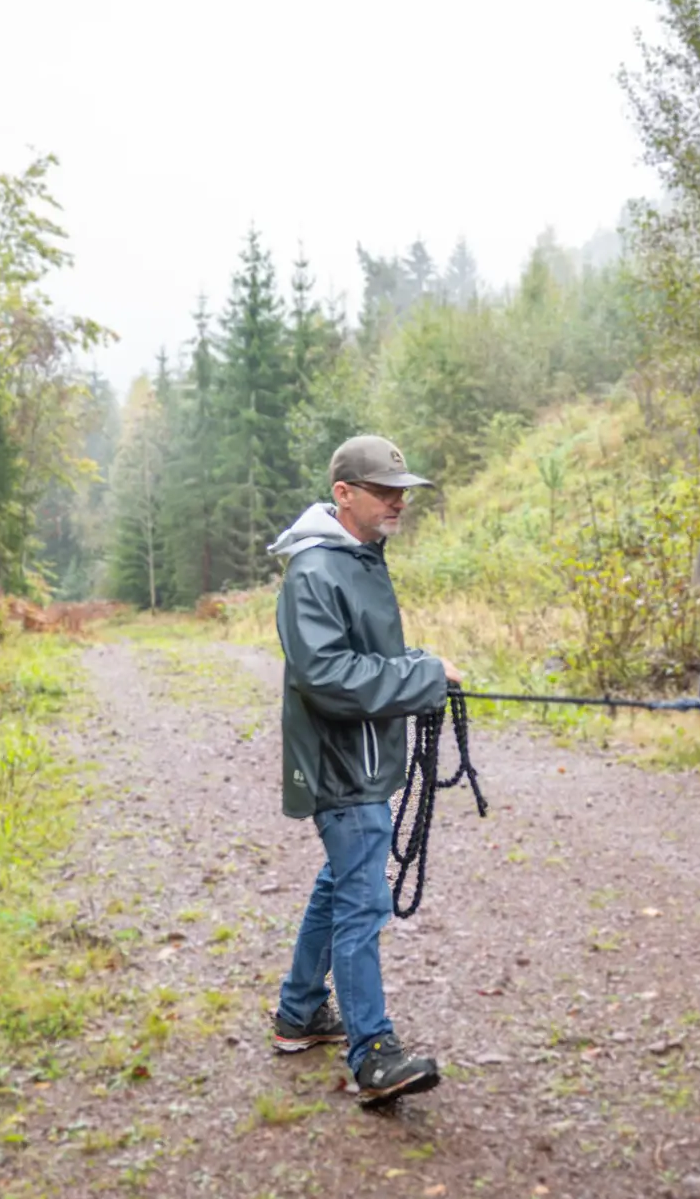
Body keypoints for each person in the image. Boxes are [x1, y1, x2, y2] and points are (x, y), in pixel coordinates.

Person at [265, 434, 464, 1103]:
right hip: (343, 767)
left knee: (340, 882)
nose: (397, 501)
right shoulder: (315, 572)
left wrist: (422, 669)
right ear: (343, 493)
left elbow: (365, 654)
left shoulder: (360, 556)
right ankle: (373, 1051)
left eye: (401, 490)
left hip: (363, 760)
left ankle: (299, 1013)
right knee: (362, 901)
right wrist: (420, 677)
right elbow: (328, 676)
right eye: (384, 490)